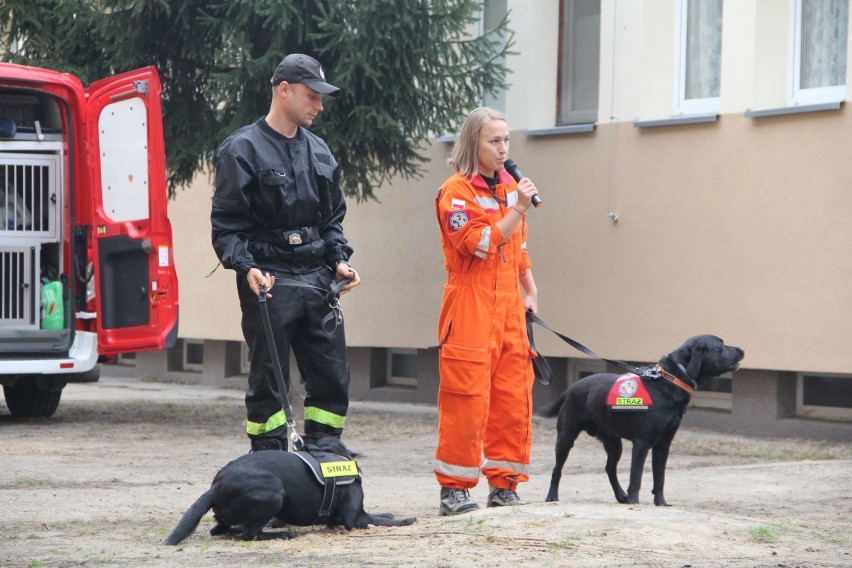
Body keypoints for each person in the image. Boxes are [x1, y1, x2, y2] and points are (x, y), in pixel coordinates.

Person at [211, 53, 360, 452]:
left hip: (317, 279)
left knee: (332, 377)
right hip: (269, 279)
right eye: (312, 96)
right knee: (269, 382)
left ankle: (326, 463)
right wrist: (247, 268)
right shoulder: (241, 150)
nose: (319, 105)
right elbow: (227, 227)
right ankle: (271, 467)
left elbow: (331, 222)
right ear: (284, 90)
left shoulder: (321, 152)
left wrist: (340, 261)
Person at [433, 107, 540, 515]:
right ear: (473, 143)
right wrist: (518, 209)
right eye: (494, 141)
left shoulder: (511, 186)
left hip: (510, 307)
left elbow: (518, 245)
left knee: (512, 397)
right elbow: (480, 243)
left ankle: (504, 484)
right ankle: (455, 490)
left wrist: (529, 288)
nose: (503, 148)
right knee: (466, 398)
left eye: (507, 140)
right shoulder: (456, 192)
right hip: (471, 304)